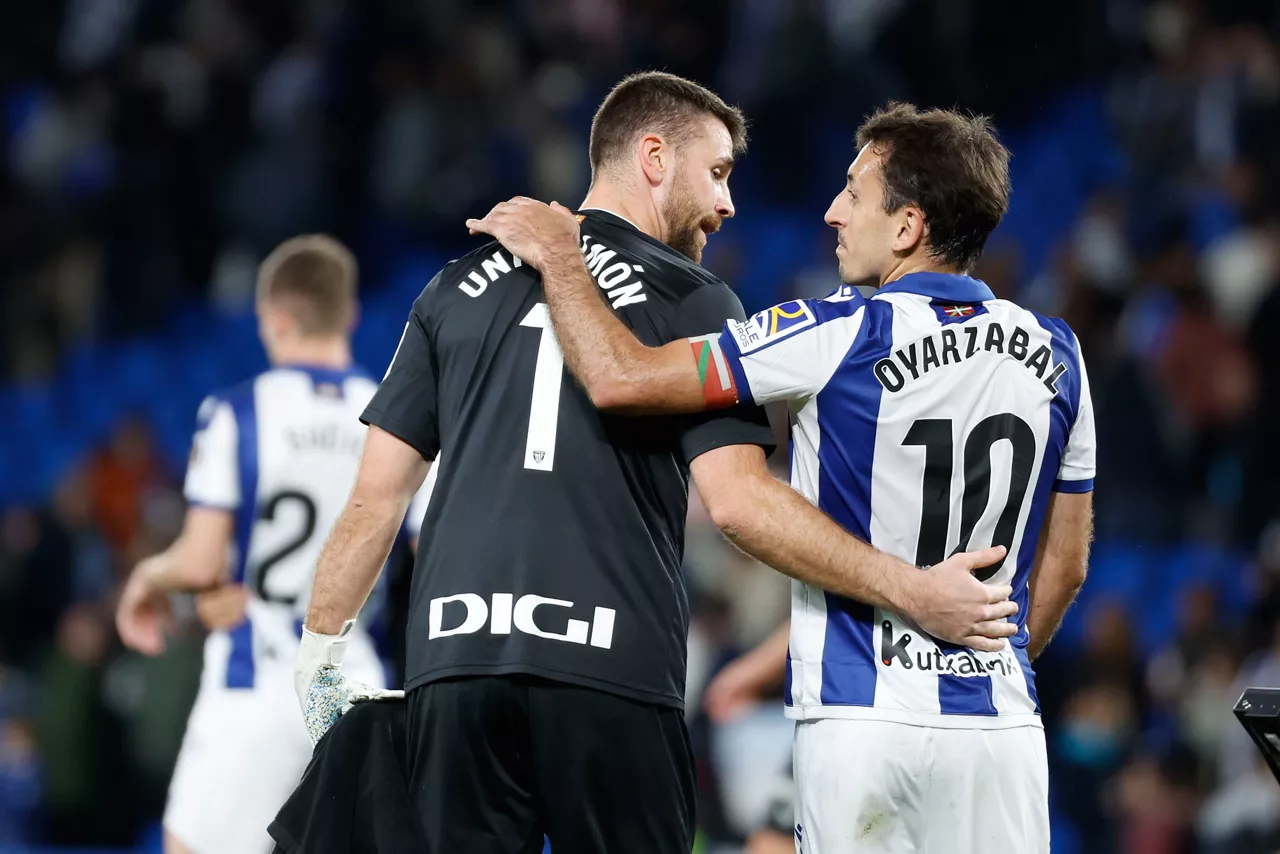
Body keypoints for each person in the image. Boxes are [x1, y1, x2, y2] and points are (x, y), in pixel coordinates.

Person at [294, 74, 1014, 854]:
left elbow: (376, 499)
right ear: (652, 157)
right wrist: (908, 588)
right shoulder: (694, 300)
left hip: (455, 668)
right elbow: (736, 503)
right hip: (612, 673)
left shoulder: (452, 289)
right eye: (718, 173)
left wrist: (321, 651)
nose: (728, 203)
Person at [468, 101, 1096, 854]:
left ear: (907, 228)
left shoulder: (835, 330)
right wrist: (985, 661)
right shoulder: (1061, 355)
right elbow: (1066, 565)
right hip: (1001, 734)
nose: (833, 213)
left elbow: (620, 377)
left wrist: (563, 259)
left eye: (854, 194)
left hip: (861, 728)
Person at [115, 235, 421, 854]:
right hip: (350, 682)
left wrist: (149, 575)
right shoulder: (401, 418)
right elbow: (431, 556)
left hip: (255, 679)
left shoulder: (236, 413)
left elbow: (202, 560)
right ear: (350, 315)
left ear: (275, 318)